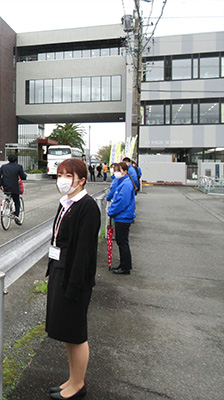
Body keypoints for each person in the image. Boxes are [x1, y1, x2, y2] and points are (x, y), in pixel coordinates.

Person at [45, 158, 100, 400]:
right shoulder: (66, 203)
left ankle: (78, 385)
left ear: (81, 179)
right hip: (60, 270)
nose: (62, 180)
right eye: (59, 175)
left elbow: (84, 251)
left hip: (74, 276)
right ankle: (72, 379)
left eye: (68, 175)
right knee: (66, 331)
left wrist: (74, 285)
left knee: (76, 333)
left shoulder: (87, 207)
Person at [108, 162, 136, 275]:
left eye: (117, 170)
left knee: (122, 242)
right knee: (122, 242)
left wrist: (111, 211)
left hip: (123, 217)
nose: (115, 173)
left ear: (124, 171)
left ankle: (125, 267)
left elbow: (121, 202)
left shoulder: (126, 184)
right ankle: (123, 265)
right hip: (122, 217)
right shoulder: (125, 182)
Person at [0, 154, 27, 224]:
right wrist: (25, 175)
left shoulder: (3, 167)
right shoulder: (18, 167)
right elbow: (23, 177)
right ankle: (16, 215)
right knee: (17, 201)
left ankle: (6, 207)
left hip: (5, 188)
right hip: (15, 188)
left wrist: (1, 185)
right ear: (16, 160)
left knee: (8, 196)